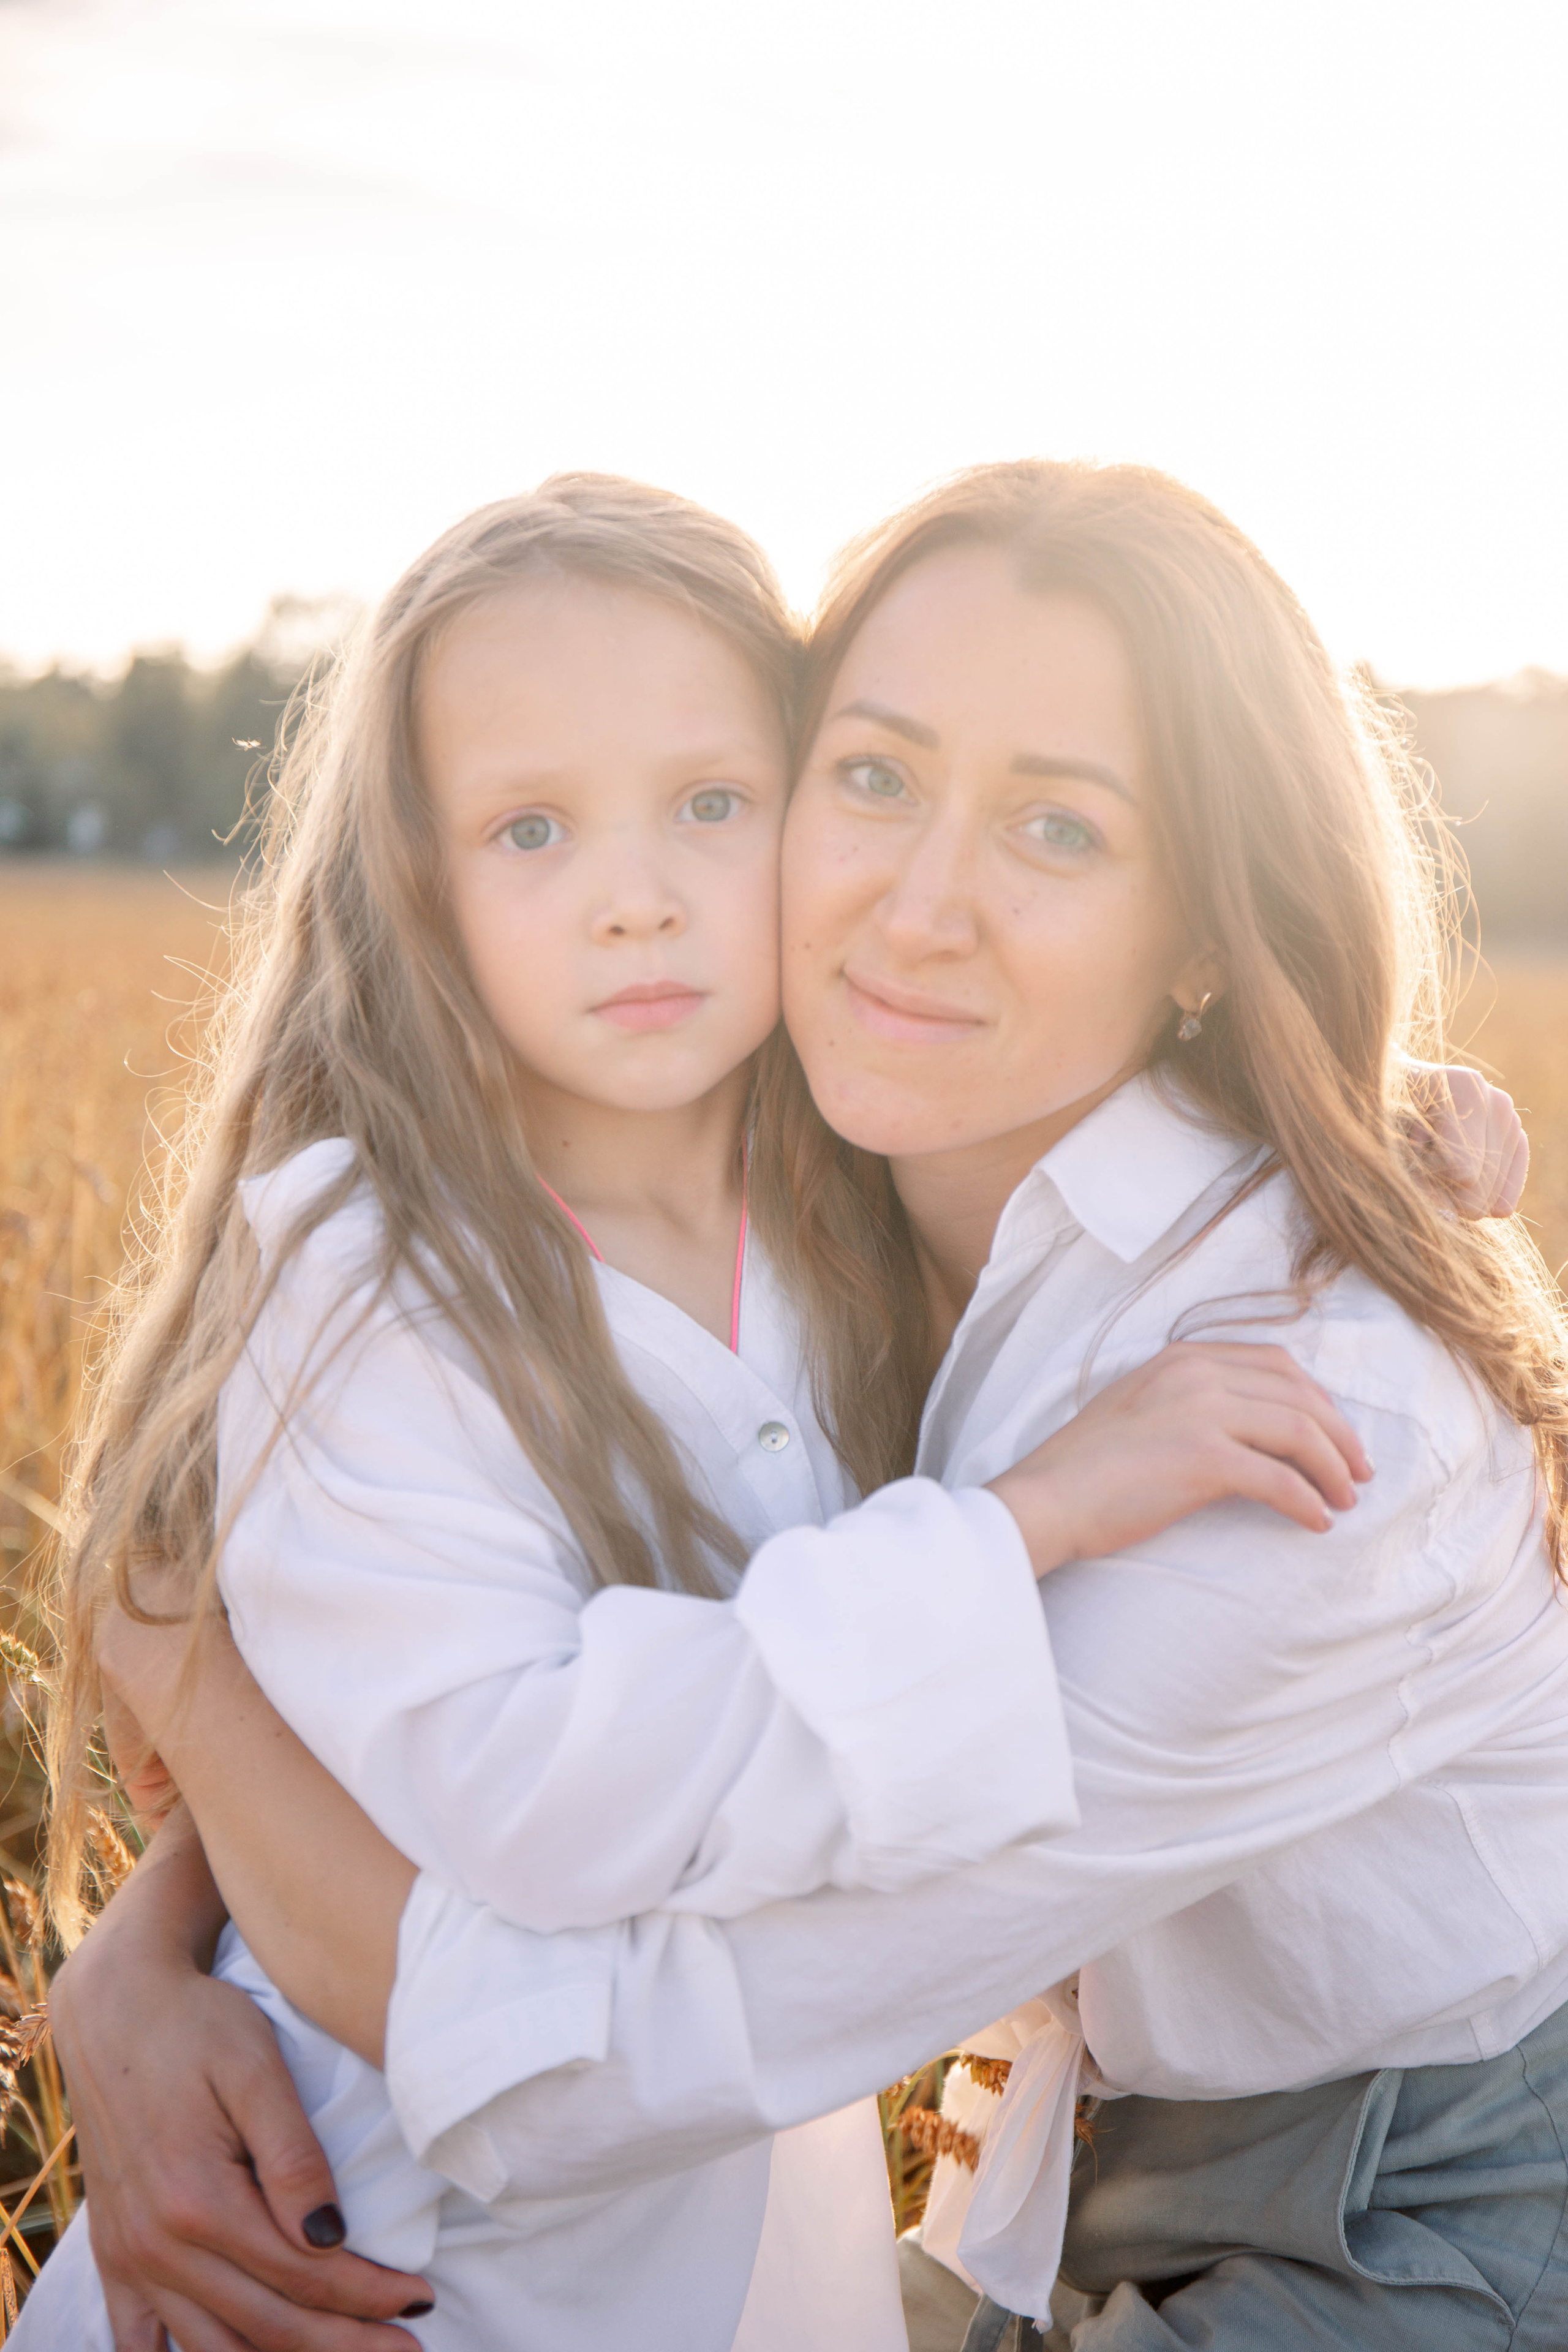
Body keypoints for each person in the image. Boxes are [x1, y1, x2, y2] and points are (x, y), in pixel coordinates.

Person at [22, 472, 1379, 2352]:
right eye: (532, 829)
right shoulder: (369, 1282)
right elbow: (525, 1790)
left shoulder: (842, 1186)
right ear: (415, 881)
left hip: (742, 2247)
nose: (638, 895)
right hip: (364, 2253)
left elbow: (1158, 1084)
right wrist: (1021, 1526)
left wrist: (1397, 1135)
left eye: (713, 804)